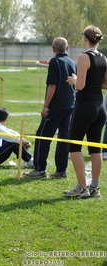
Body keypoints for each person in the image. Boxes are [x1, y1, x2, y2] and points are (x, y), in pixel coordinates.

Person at [24, 37, 76, 179]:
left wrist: (46, 106)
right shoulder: (72, 63)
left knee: (41, 136)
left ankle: (40, 170)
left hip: (56, 106)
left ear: (53, 49)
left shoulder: (55, 61)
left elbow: (52, 85)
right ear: (67, 48)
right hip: (70, 105)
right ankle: (61, 170)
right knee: (63, 138)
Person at [64, 25, 107, 198]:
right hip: (100, 107)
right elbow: (105, 84)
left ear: (85, 39)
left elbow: (80, 85)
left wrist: (74, 79)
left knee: (74, 146)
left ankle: (82, 187)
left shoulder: (83, 57)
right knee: (95, 149)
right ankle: (94, 188)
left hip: (85, 106)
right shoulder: (104, 58)